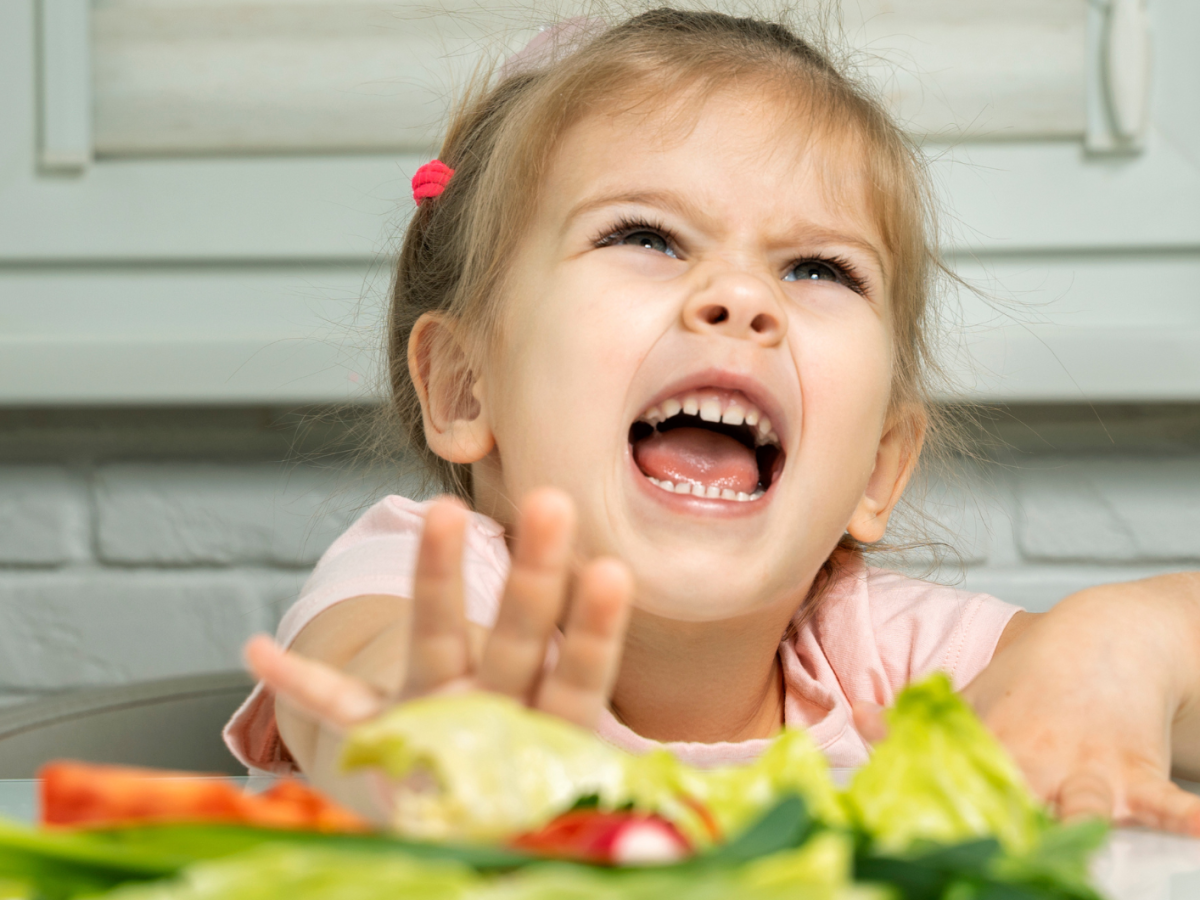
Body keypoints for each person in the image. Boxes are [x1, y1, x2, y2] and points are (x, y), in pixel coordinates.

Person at [225, 8, 1200, 834]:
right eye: (645, 236)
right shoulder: (430, 575)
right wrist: (420, 736)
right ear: (465, 388)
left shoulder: (869, 654)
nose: (740, 298)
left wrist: (1121, 645)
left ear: (876, 471)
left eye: (818, 269)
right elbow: (360, 673)